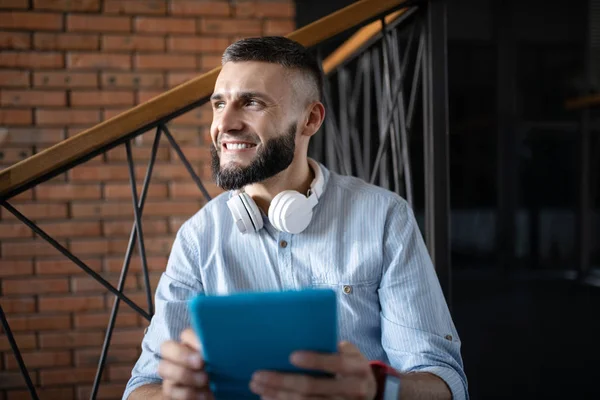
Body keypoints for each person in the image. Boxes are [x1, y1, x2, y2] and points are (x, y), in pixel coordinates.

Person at [123, 36, 468, 400]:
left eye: (251, 102)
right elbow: (139, 389)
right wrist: (174, 395)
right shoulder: (198, 238)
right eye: (219, 104)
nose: (223, 124)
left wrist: (379, 389)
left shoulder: (384, 217)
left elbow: (445, 381)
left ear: (310, 119)